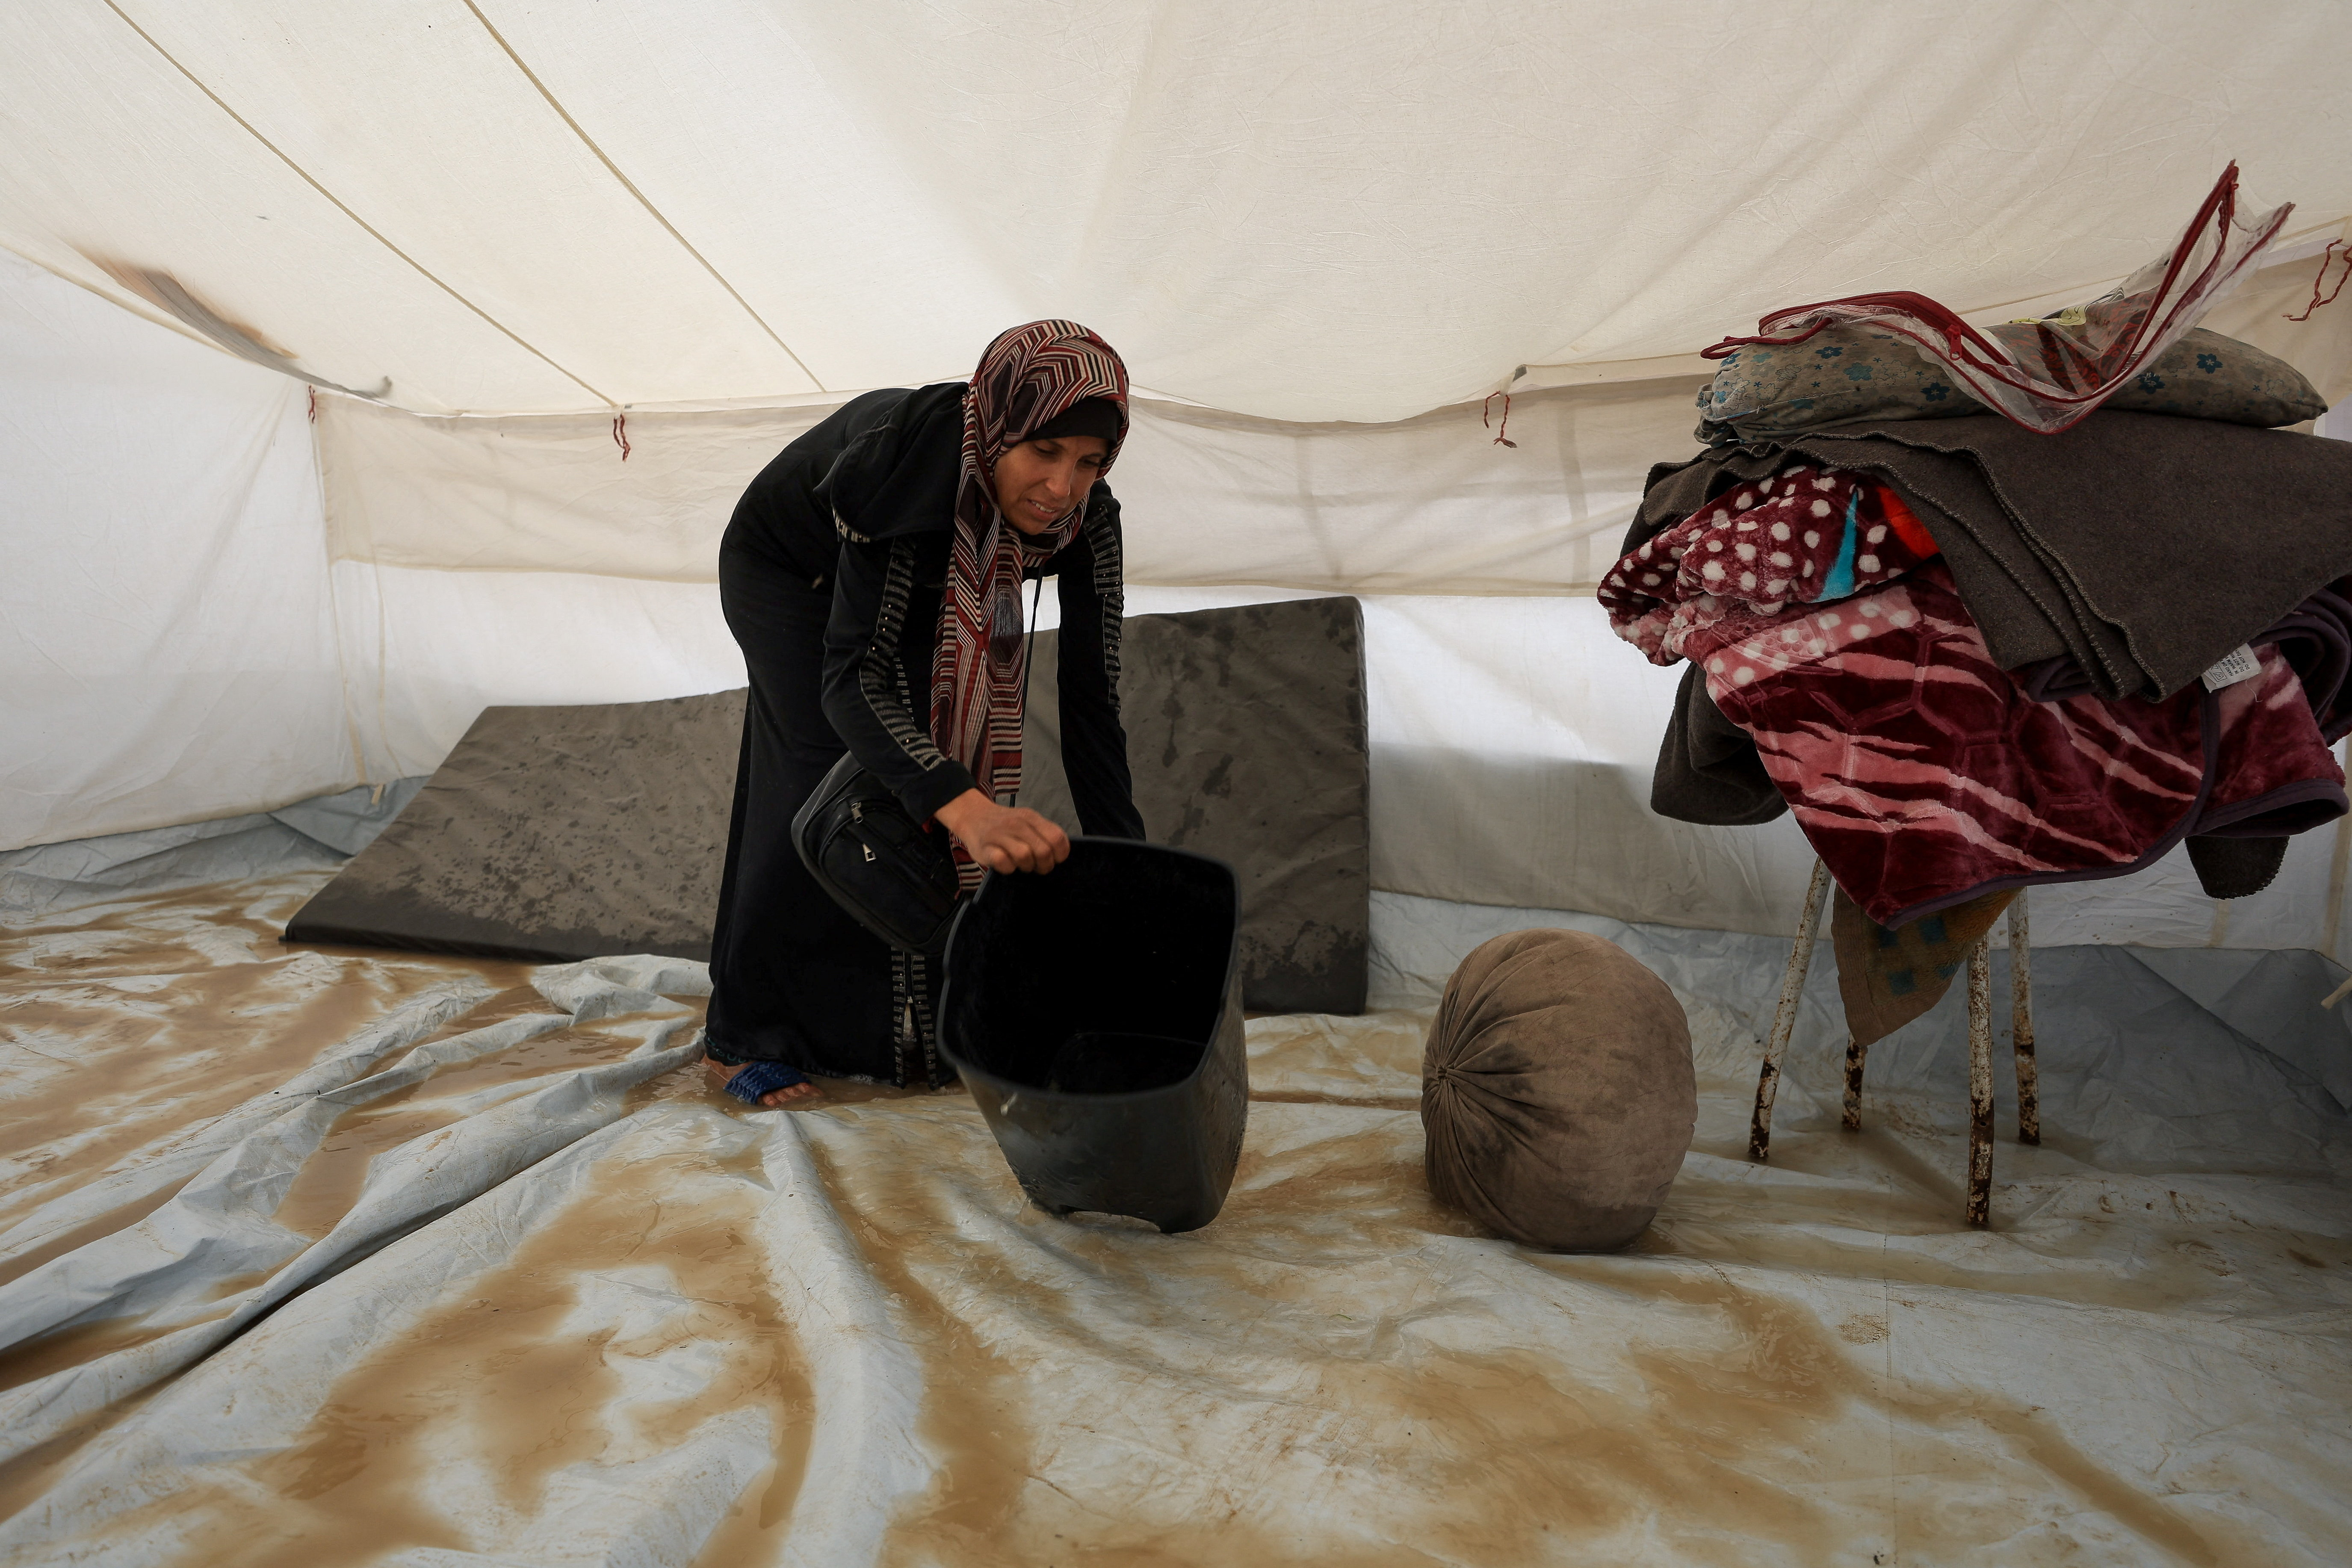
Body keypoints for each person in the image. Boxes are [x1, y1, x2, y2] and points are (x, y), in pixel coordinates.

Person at [703, 319, 1147, 1106]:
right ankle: (743, 1037)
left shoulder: (1090, 521)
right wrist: (969, 810)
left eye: (1089, 462)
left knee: (918, 757)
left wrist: (1128, 876)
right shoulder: (904, 473)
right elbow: (851, 683)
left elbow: (1092, 705)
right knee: (824, 773)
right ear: (1001, 428)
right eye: (1044, 451)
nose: (1062, 487)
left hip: (935, 569)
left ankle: (904, 1026)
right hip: (790, 573)